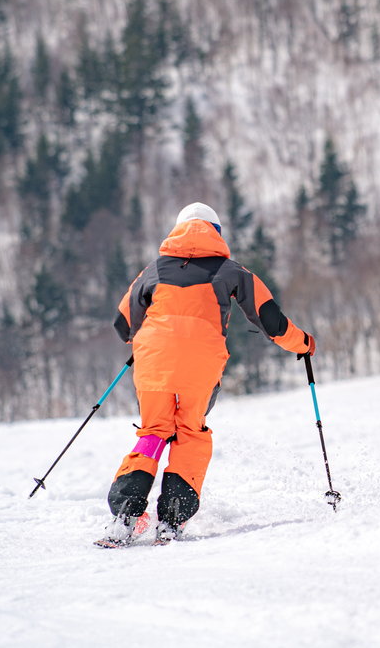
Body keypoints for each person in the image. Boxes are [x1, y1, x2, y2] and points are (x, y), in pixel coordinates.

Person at [100, 201, 314, 545]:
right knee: (189, 432)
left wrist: (143, 337)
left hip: (154, 360)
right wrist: (303, 344)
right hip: (201, 364)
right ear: (216, 233)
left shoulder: (153, 270)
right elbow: (270, 320)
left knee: (153, 432)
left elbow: (122, 323)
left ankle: (126, 516)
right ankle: (170, 521)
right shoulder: (232, 270)